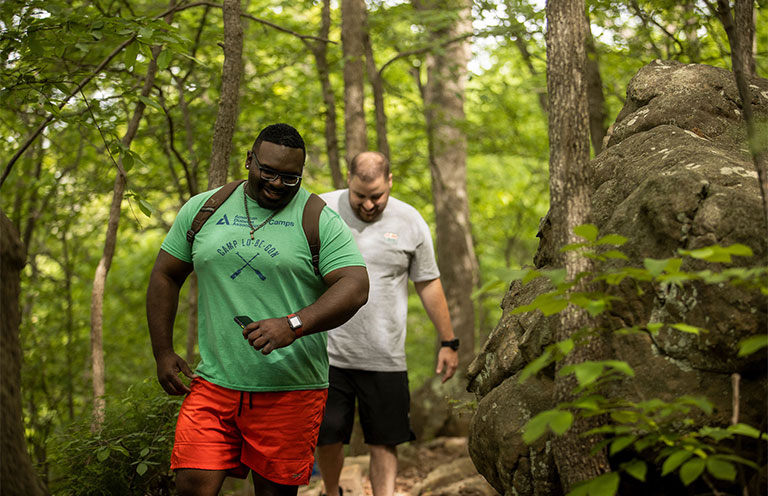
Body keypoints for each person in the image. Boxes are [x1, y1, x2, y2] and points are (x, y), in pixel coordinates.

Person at [146, 123, 369, 496]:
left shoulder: (317, 217)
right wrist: (163, 352)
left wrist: (293, 324)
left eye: (290, 178)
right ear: (249, 160)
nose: (277, 184)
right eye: (268, 172)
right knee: (192, 485)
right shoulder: (205, 208)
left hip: (290, 390)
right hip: (213, 384)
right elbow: (165, 275)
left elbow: (355, 286)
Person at [315, 151, 459, 496]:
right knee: (329, 435)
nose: (368, 205)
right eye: (359, 196)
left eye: (376, 196)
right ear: (348, 180)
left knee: (385, 440)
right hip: (326, 352)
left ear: (390, 182)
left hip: (384, 355)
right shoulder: (319, 210)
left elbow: (428, 281)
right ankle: (332, 490)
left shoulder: (409, 220)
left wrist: (448, 342)